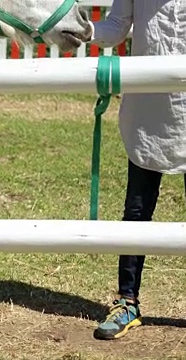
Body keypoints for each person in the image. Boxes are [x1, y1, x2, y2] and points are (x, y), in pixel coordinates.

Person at [87, 0, 186, 340]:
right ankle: (127, 301)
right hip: (149, 110)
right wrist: (85, 30)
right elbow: (116, 26)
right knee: (137, 209)